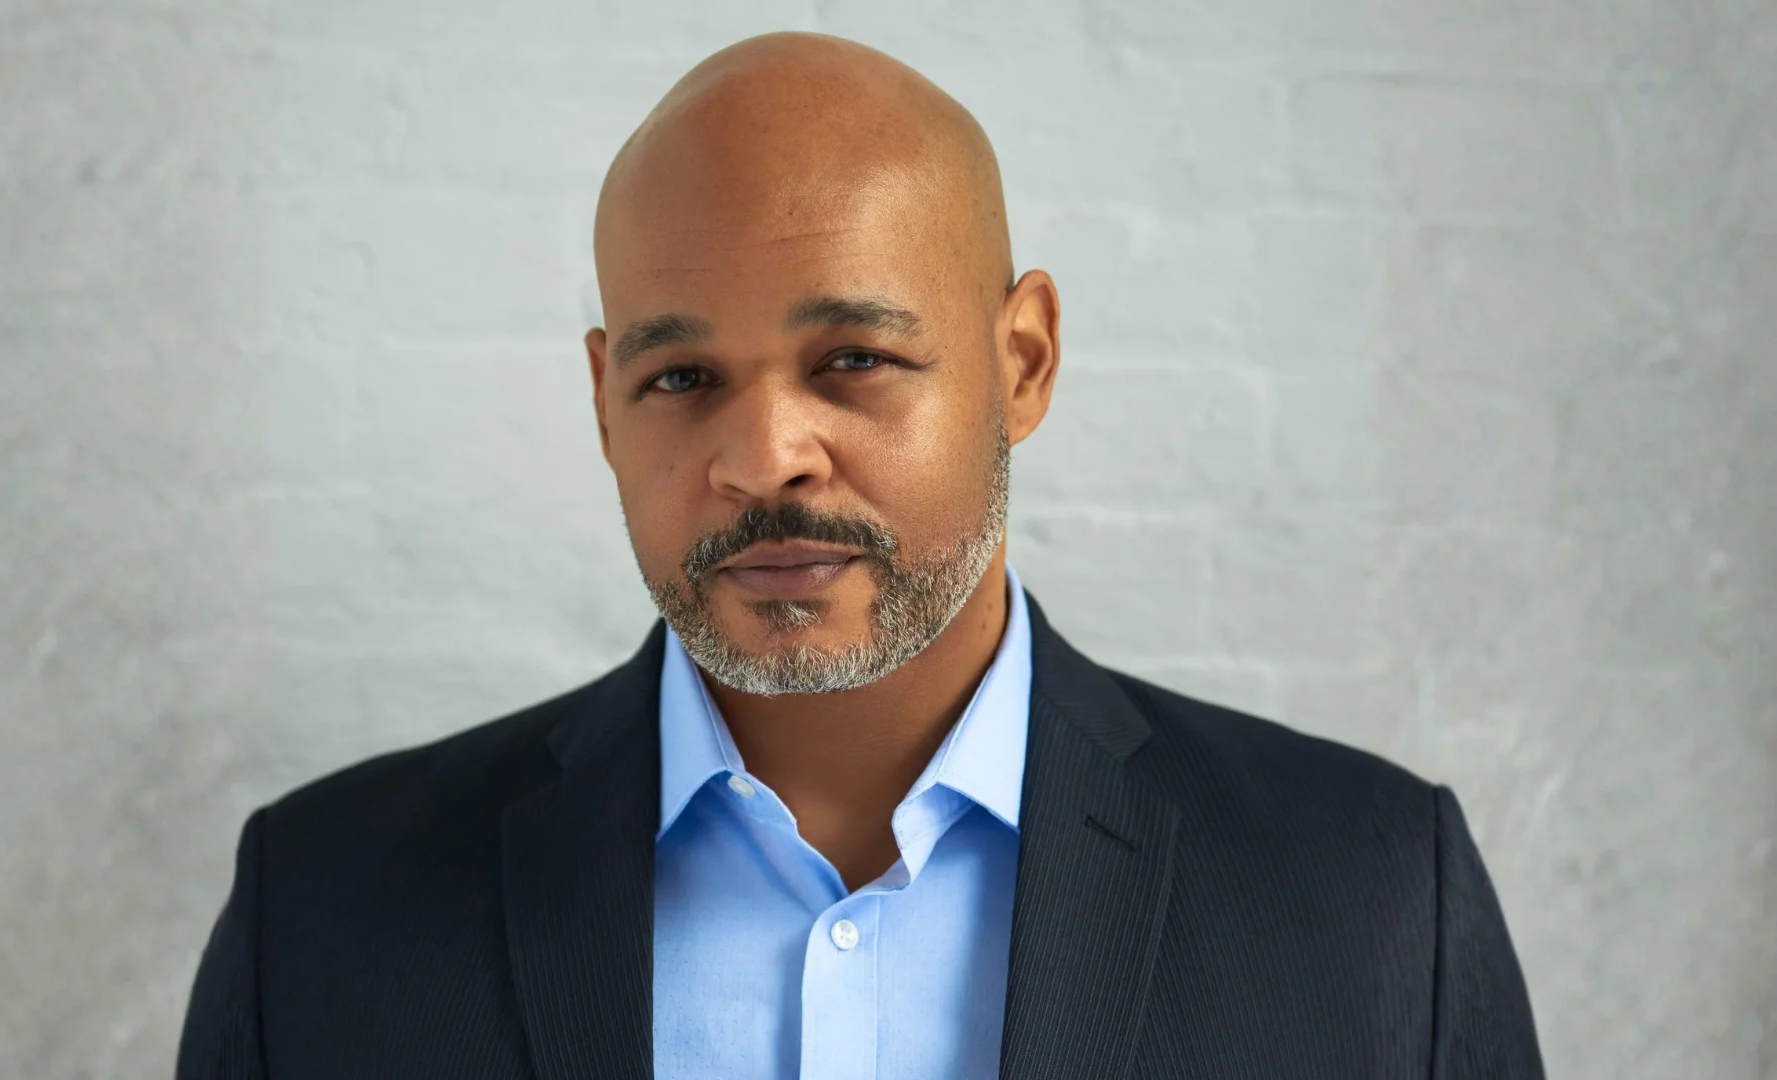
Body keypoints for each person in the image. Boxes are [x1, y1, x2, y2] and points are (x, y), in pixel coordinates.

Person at [175, 31, 1545, 1080]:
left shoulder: (1369, 898)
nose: (764, 456)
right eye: (679, 379)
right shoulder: (324, 911)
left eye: (854, 361)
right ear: (602, 402)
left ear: (1023, 364)